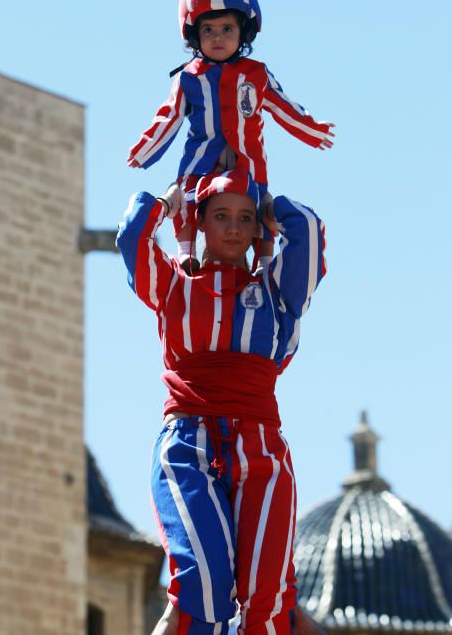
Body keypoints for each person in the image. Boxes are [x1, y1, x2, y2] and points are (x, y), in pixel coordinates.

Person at [116, 168, 327, 635]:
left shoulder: (277, 294)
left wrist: (272, 210)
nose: (233, 227)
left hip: (263, 452)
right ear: (201, 222)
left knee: (269, 602)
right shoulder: (174, 285)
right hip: (190, 447)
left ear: (257, 229)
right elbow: (133, 235)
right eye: (221, 215)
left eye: (245, 218)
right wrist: (171, 204)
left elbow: (308, 232)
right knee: (203, 592)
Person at [127, 0, 334, 272]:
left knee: (261, 205)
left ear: (243, 33)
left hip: (247, 161)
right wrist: (145, 150)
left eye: (227, 29)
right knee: (184, 195)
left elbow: (283, 108)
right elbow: (169, 116)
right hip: (201, 160)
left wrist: (313, 131)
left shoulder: (256, 74)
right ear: (195, 35)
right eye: (208, 31)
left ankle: (263, 260)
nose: (218, 38)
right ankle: (186, 252)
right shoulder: (189, 77)